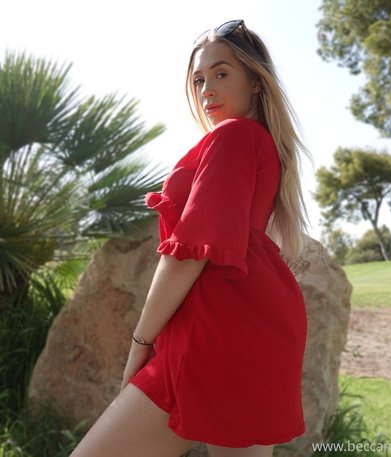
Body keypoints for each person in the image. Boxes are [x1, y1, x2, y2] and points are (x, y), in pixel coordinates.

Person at [70, 19, 309, 457]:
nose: (207, 90)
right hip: (254, 330)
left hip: (214, 332)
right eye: (199, 79)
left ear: (256, 82)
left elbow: (187, 255)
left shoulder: (232, 137)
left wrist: (140, 344)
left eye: (221, 74)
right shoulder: (260, 143)